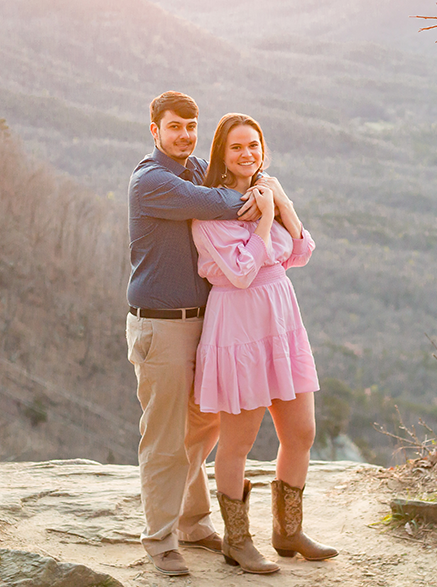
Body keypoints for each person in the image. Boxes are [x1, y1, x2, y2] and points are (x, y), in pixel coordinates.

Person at [190, 113, 337, 574]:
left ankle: (287, 531)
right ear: (222, 154)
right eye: (237, 147)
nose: (247, 154)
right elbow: (240, 272)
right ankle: (238, 540)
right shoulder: (210, 211)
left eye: (254, 145)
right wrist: (267, 218)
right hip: (239, 329)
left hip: (281, 322)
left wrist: (283, 206)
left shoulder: (267, 192)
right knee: (238, 442)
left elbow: (302, 252)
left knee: (301, 432)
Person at [126, 91, 262, 577]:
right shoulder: (152, 182)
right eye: (175, 126)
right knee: (164, 437)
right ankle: (160, 540)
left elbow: (237, 181)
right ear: (155, 130)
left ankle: (193, 521)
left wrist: (266, 191)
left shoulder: (196, 167)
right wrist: (257, 198)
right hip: (161, 326)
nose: (185, 134)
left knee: (204, 423)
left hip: (206, 322)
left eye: (191, 126)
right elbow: (216, 200)